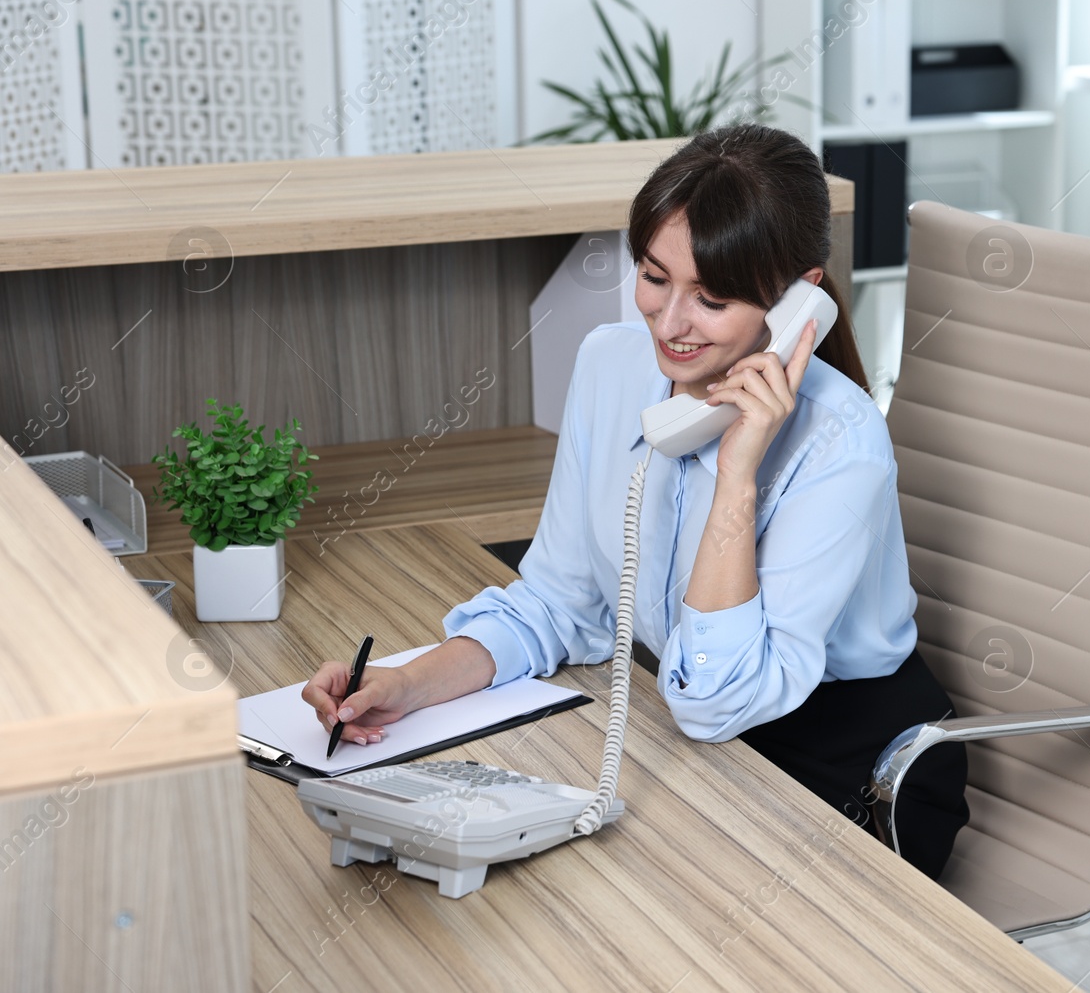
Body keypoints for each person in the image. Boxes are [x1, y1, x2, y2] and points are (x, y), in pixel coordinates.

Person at [301, 122, 968, 879]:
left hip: (848, 772)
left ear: (795, 305)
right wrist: (406, 683)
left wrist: (736, 471)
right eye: (654, 277)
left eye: (710, 298)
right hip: (688, 735)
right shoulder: (610, 367)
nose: (670, 322)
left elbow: (720, 700)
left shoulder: (839, 441)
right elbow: (560, 602)